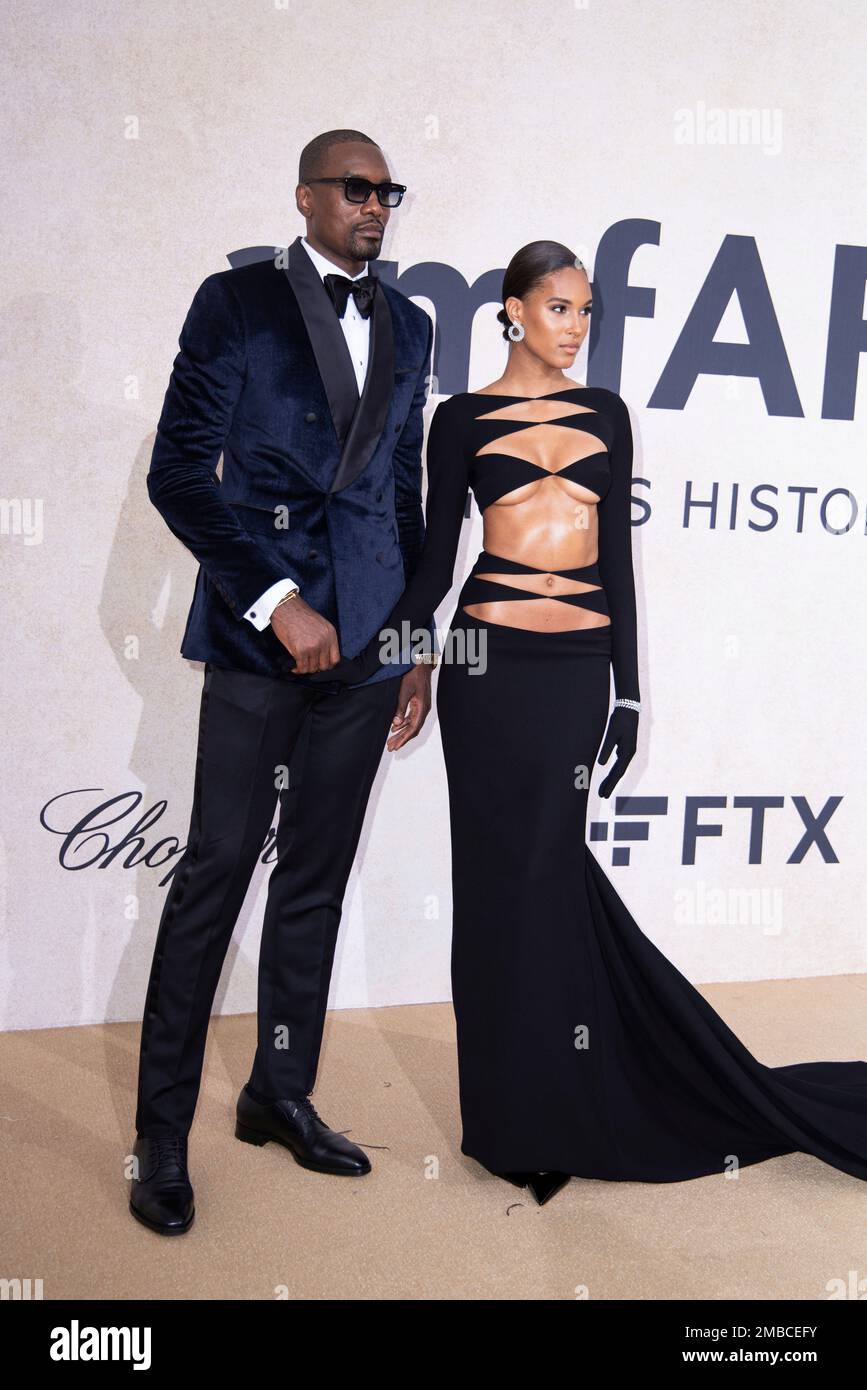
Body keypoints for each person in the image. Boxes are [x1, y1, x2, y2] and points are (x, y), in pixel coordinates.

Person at [312, 239, 867, 1206]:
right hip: (487, 671)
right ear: (513, 312)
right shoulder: (461, 419)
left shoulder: (607, 416)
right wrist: (395, 662)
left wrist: (629, 692)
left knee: (548, 880)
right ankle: (508, 1120)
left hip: (575, 674)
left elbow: (614, 565)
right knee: (495, 889)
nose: (575, 329)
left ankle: (563, 1095)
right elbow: (436, 568)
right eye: (559, 309)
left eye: (586, 313)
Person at [130, 129, 436, 1234]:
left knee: (314, 877)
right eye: (355, 188)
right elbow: (180, 471)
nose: (374, 205)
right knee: (214, 873)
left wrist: (407, 645)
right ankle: (159, 1137)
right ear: (305, 195)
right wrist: (274, 598)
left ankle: (279, 1091)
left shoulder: (411, 323)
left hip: (364, 656)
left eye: (387, 191)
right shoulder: (237, 303)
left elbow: (400, 499)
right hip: (264, 645)